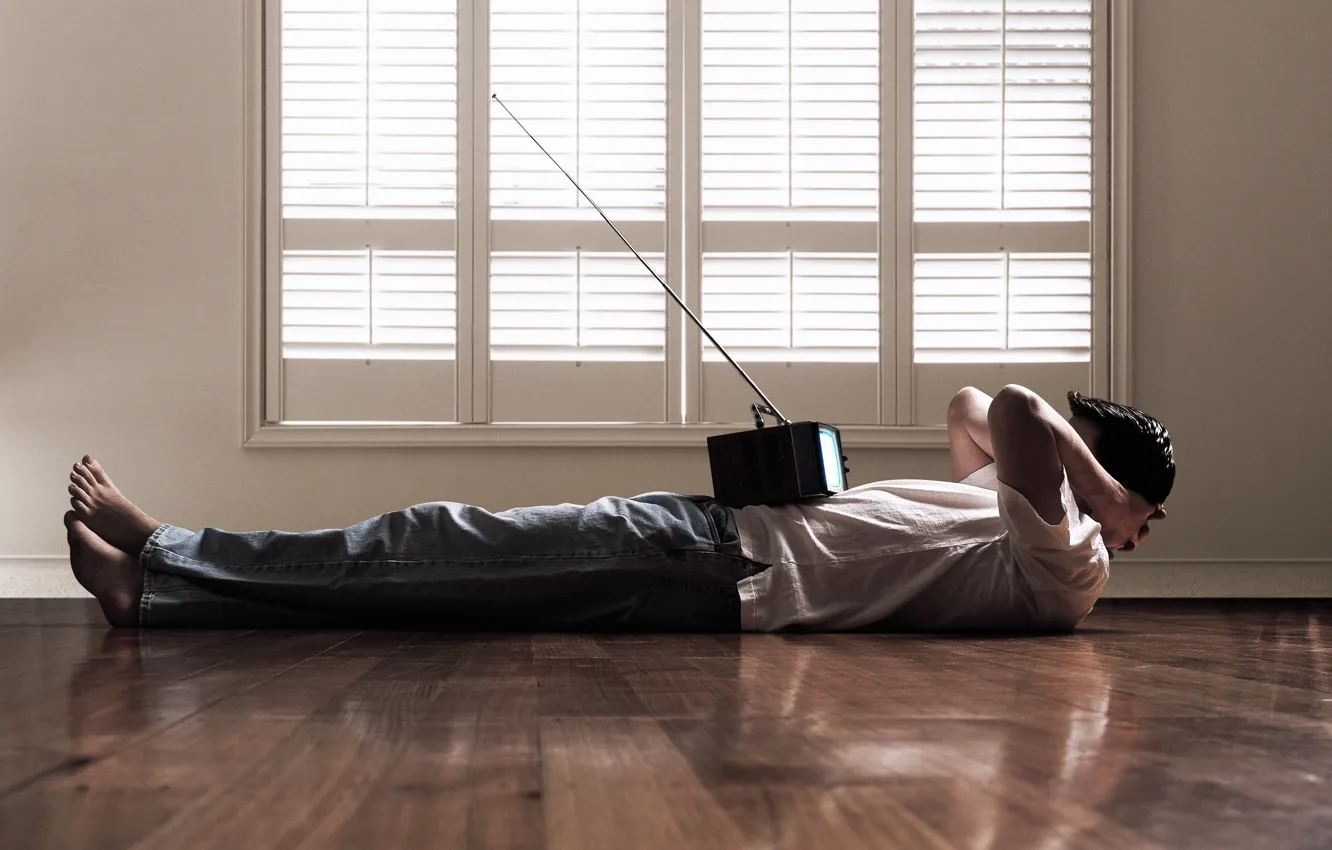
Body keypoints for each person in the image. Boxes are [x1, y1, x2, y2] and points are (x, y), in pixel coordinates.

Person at [64, 385, 1173, 632]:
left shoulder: (1068, 560)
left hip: (719, 568)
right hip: (711, 538)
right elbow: (980, 408)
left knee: (436, 548)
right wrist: (1099, 474)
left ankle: (163, 555)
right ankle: (160, 585)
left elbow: (1022, 414)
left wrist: (1110, 493)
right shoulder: (1019, 504)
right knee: (439, 573)